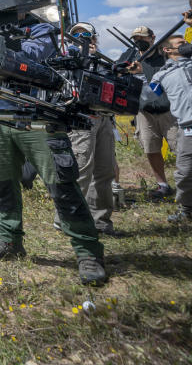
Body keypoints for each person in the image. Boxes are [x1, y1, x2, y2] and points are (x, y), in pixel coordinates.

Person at [0, 13, 106, 286]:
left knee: (62, 185)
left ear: (19, 7)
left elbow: (35, 55)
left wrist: (3, 44)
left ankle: (87, 252)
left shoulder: (41, 30)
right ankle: (10, 239)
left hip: (37, 118)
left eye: (4, 5)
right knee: (3, 185)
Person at [64, 23, 119, 236]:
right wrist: (83, 57)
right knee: (81, 170)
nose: (82, 38)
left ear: (94, 38)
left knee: (105, 172)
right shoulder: (69, 59)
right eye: (76, 35)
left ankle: (101, 221)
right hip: (82, 119)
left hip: (105, 118)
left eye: (86, 35)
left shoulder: (104, 62)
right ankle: (71, 221)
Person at [123, 26, 179, 198]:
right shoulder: (130, 54)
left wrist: (143, 71)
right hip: (144, 112)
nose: (139, 41)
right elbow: (118, 69)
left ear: (152, 38)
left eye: (143, 37)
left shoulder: (164, 54)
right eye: (135, 38)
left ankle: (186, 184)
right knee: (151, 148)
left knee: (180, 148)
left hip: (169, 110)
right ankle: (162, 185)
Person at [151, 34, 192, 223]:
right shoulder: (161, 76)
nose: (186, 45)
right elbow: (148, 93)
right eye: (181, 44)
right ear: (167, 50)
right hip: (186, 127)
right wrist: (132, 73)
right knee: (185, 172)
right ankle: (187, 210)